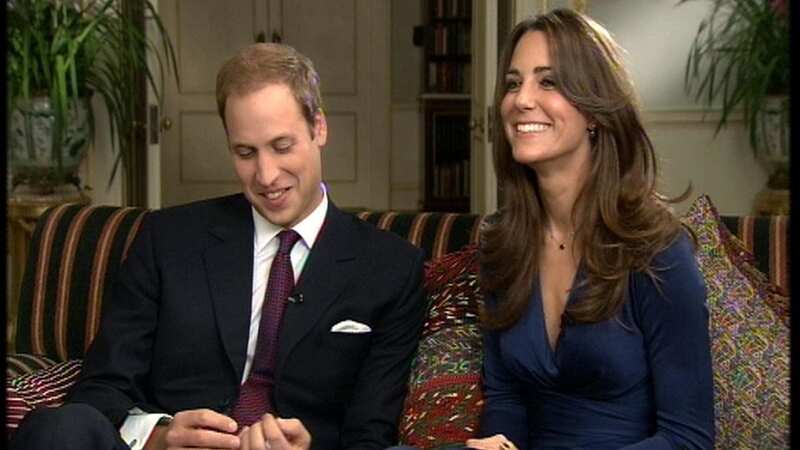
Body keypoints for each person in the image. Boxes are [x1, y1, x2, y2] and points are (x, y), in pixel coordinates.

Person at [10, 43, 426, 450]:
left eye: (282, 147)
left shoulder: (391, 268)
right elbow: (101, 388)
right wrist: (157, 435)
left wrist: (308, 446)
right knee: (61, 427)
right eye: (245, 153)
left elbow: (371, 437)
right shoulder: (168, 237)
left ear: (319, 127)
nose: (265, 175)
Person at [390, 8, 714, 450]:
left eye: (548, 81)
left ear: (595, 111)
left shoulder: (656, 252)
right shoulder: (502, 243)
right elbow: (507, 398)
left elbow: (688, 438)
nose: (521, 100)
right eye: (512, 82)